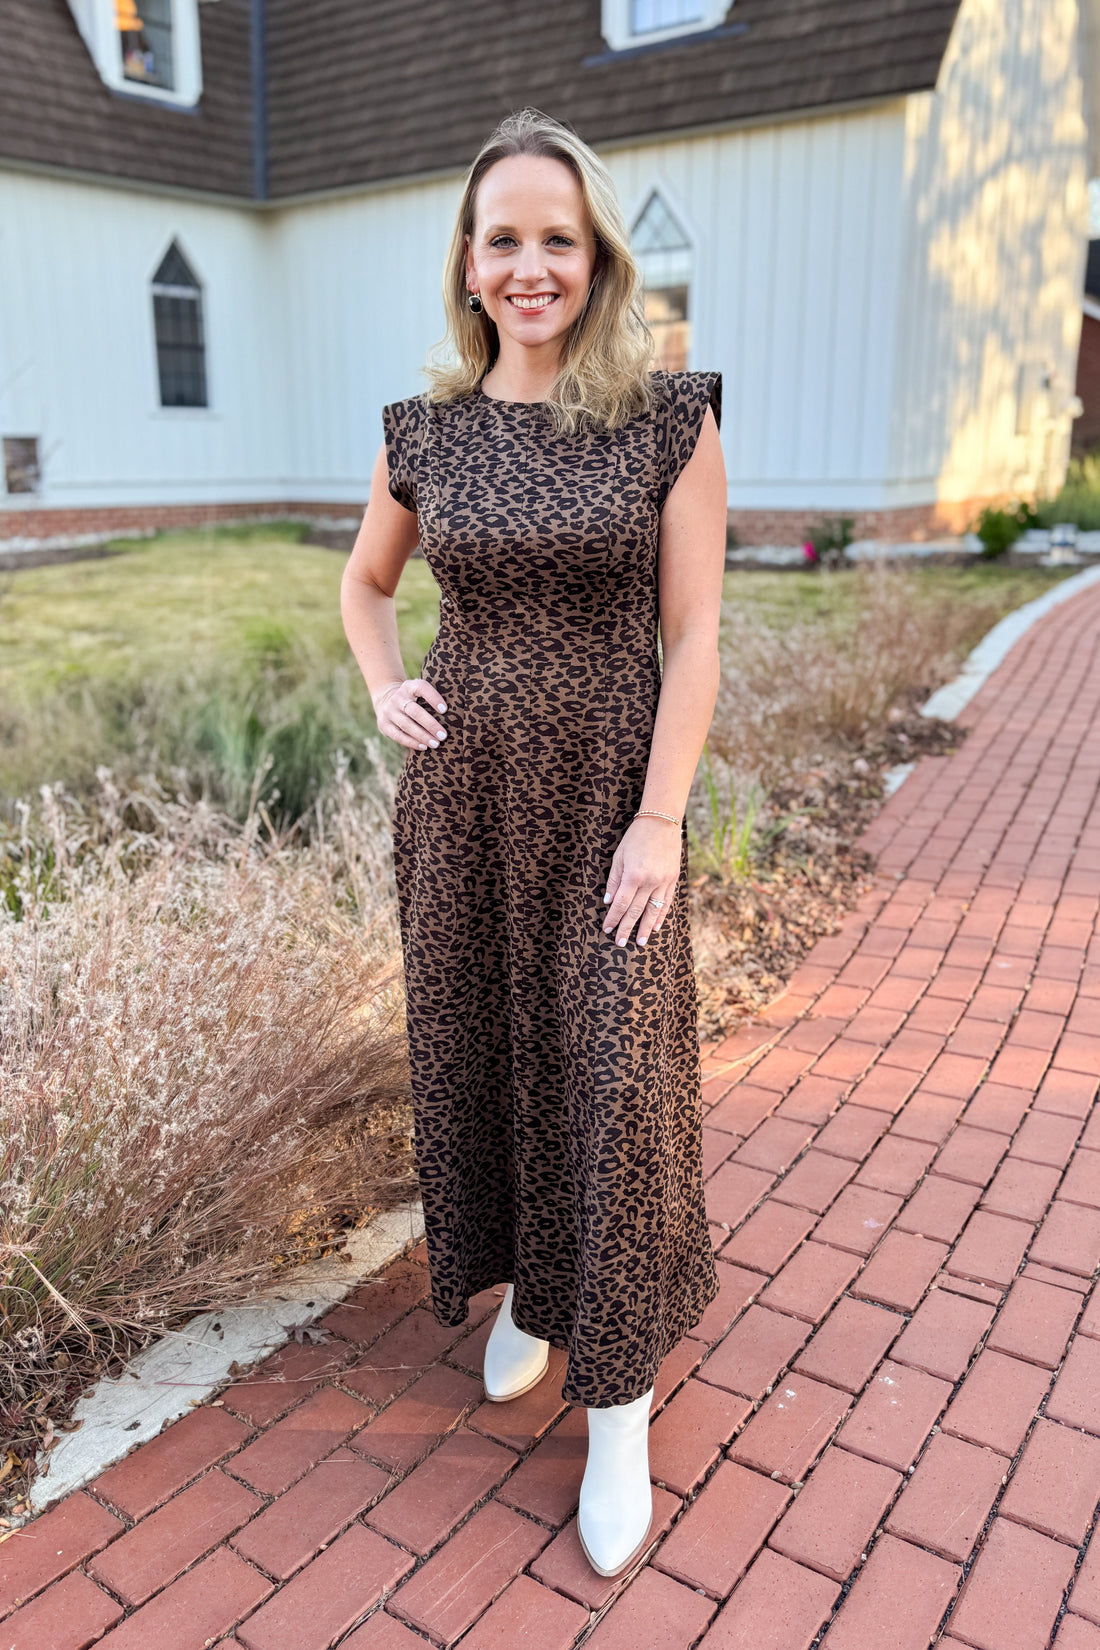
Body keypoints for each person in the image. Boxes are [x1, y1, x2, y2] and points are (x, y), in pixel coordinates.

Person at [340, 106, 727, 1579]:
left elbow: (693, 637)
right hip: (468, 804)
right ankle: (533, 1296)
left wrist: (663, 819)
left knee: (615, 1075)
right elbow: (365, 589)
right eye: (503, 237)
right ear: (469, 258)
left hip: (612, 808)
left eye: (556, 238)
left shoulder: (668, 418)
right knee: (494, 1048)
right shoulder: (423, 432)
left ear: (597, 255)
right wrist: (386, 683)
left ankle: (616, 1400)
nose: (529, 264)